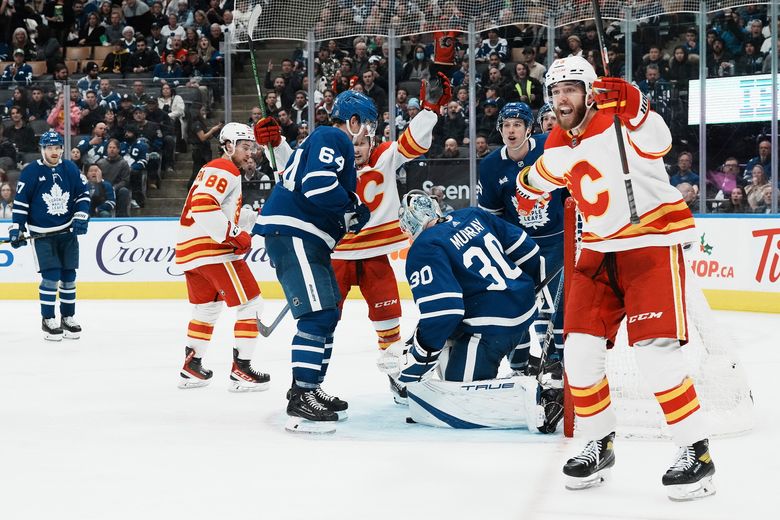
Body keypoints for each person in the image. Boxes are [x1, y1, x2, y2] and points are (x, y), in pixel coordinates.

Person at [513, 56, 715, 500]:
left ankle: (695, 453)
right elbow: (542, 176)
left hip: (650, 243)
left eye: (570, 89)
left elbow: (659, 138)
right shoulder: (556, 141)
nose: (561, 99)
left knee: (655, 354)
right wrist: (525, 190)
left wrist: (636, 103)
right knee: (579, 354)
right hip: (599, 251)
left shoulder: (621, 119)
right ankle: (598, 442)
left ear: (589, 92)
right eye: (555, 92)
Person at [378, 191, 555, 431]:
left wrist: (420, 359)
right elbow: (530, 252)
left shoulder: (425, 247)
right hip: (524, 310)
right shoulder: (472, 215)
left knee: (459, 396)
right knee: (505, 309)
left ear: (409, 224)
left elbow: (444, 313)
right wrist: (525, 292)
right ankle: (521, 366)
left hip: (490, 331)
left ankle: (534, 396)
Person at [252, 90, 374, 433]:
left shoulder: (326, 141)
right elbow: (318, 187)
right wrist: (352, 206)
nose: (368, 134)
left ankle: (310, 386)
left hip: (307, 238)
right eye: (366, 126)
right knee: (318, 314)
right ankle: (302, 393)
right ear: (352, 122)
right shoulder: (334, 136)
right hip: (296, 234)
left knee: (328, 313)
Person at [174, 122, 270, 392]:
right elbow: (204, 206)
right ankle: (242, 369)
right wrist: (234, 235)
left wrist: (261, 219)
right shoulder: (224, 167)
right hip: (212, 251)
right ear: (228, 146)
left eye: (252, 147)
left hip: (191, 252)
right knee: (251, 304)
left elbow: (224, 213)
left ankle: (191, 368)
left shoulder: (217, 170)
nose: (250, 152)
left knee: (207, 308)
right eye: (244, 146)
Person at [477, 101, 565, 387]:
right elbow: (493, 215)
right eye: (506, 125)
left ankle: (556, 359)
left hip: (556, 241)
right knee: (518, 304)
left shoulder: (549, 148)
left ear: (529, 128)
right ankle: (521, 363)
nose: (511, 130)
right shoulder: (490, 166)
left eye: (517, 125)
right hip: (518, 246)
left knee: (556, 304)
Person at [7, 131, 90, 341]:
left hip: (67, 232)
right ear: (42, 149)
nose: (54, 152)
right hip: (43, 235)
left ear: (62, 148)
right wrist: (17, 228)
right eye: (49, 148)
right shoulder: (31, 172)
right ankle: (48, 319)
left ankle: (68, 317)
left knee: (69, 277)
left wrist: (81, 215)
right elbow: (21, 203)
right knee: (51, 276)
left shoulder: (69, 168)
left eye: (57, 147)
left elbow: (82, 194)